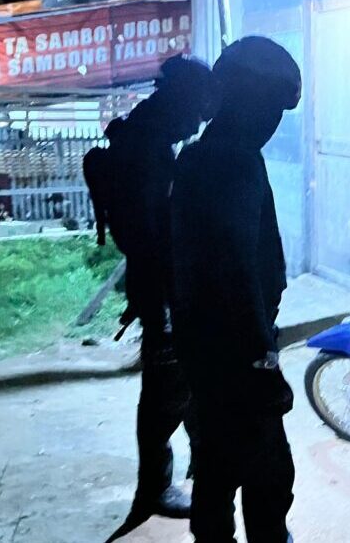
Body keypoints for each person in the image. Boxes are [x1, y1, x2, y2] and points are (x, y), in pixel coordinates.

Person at [170, 36, 300, 542]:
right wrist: (263, 360)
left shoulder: (199, 158)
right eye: (271, 108)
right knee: (268, 479)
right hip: (236, 355)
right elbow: (237, 270)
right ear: (247, 101)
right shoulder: (233, 163)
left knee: (216, 471)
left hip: (204, 353)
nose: (273, 123)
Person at [83, 55, 217, 541]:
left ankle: (164, 480)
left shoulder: (144, 137)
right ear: (180, 99)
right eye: (198, 111)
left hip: (156, 283)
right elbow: (157, 235)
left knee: (171, 384)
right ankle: (155, 488)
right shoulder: (148, 151)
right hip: (162, 288)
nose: (197, 124)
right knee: (167, 387)